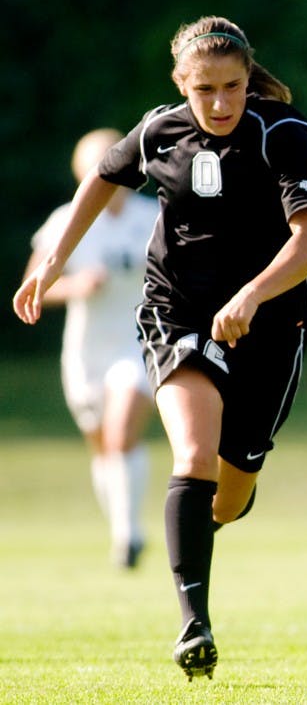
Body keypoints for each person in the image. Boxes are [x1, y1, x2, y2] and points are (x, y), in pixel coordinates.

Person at [13, 16, 307, 682]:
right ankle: (194, 623)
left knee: (230, 492)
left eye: (232, 88)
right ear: (180, 85)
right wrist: (53, 261)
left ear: (250, 80)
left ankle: (201, 527)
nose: (218, 103)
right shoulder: (160, 129)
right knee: (192, 452)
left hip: (269, 325)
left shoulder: (284, 135)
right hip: (176, 311)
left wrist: (251, 296)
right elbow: (102, 179)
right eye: (204, 90)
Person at [23, 128, 158, 570]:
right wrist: (76, 284)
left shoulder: (152, 216)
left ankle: (128, 535)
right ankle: (122, 526)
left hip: (138, 343)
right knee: (103, 446)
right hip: (85, 351)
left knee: (121, 435)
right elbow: (35, 287)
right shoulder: (66, 220)